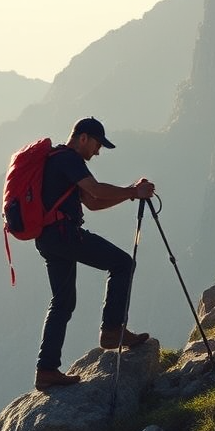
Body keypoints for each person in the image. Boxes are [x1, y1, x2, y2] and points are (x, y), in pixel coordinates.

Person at [34, 117, 156, 392]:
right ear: (83, 138)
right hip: (65, 234)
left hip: (48, 238)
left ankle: (46, 370)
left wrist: (130, 195)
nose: (98, 152)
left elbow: (91, 203)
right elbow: (96, 191)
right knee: (123, 264)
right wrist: (134, 191)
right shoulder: (68, 159)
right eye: (97, 145)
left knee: (63, 302)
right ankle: (113, 330)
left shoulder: (58, 159)